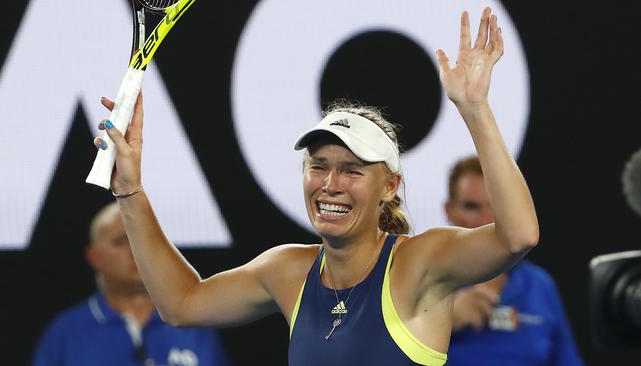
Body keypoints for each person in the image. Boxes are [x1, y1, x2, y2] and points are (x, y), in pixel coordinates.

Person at [93, 7, 538, 365]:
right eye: (318, 166)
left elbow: (518, 235)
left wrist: (475, 109)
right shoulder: (287, 271)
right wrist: (129, 190)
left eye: (351, 170)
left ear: (390, 186)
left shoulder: (419, 263)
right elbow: (181, 304)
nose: (330, 184)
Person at [32, 203, 229, 366]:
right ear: (94, 256)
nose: (135, 250)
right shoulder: (66, 333)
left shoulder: (192, 325)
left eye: (143, 240)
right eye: (121, 241)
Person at [444, 156, 583, 365]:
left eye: (495, 206)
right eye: (472, 206)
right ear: (450, 211)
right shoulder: (426, 279)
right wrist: (442, 321)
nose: (485, 220)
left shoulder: (539, 285)